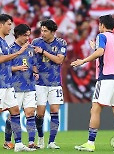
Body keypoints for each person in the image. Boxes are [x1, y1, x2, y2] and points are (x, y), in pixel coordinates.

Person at [71, 14, 114, 152]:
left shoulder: (101, 36)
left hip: (106, 77)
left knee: (95, 109)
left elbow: (101, 51)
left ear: (102, 25)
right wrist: (95, 48)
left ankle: (90, 143)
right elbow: (109, 54)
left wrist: (83, 61)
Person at [0, 14, 35, 152]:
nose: (11, 27)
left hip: (8, 84)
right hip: (1, 84)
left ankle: (19, 143)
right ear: (1, 24)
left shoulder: (3, 41)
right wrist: (18, 53)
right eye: (9, 24)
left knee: (15, 111)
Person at [32, 19, 67, 149]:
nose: (42, 33)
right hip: (40, 83)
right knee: (40, 113)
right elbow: (32, 61)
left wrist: (43, 52)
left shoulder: (61, 43)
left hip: (55, 83)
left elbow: (59, 60)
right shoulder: (36, 42)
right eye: (41, 30)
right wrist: (34, 71)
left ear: (53, 32)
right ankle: (40, 138)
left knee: (54, 111)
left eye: (45, 31)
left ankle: (51, 141)